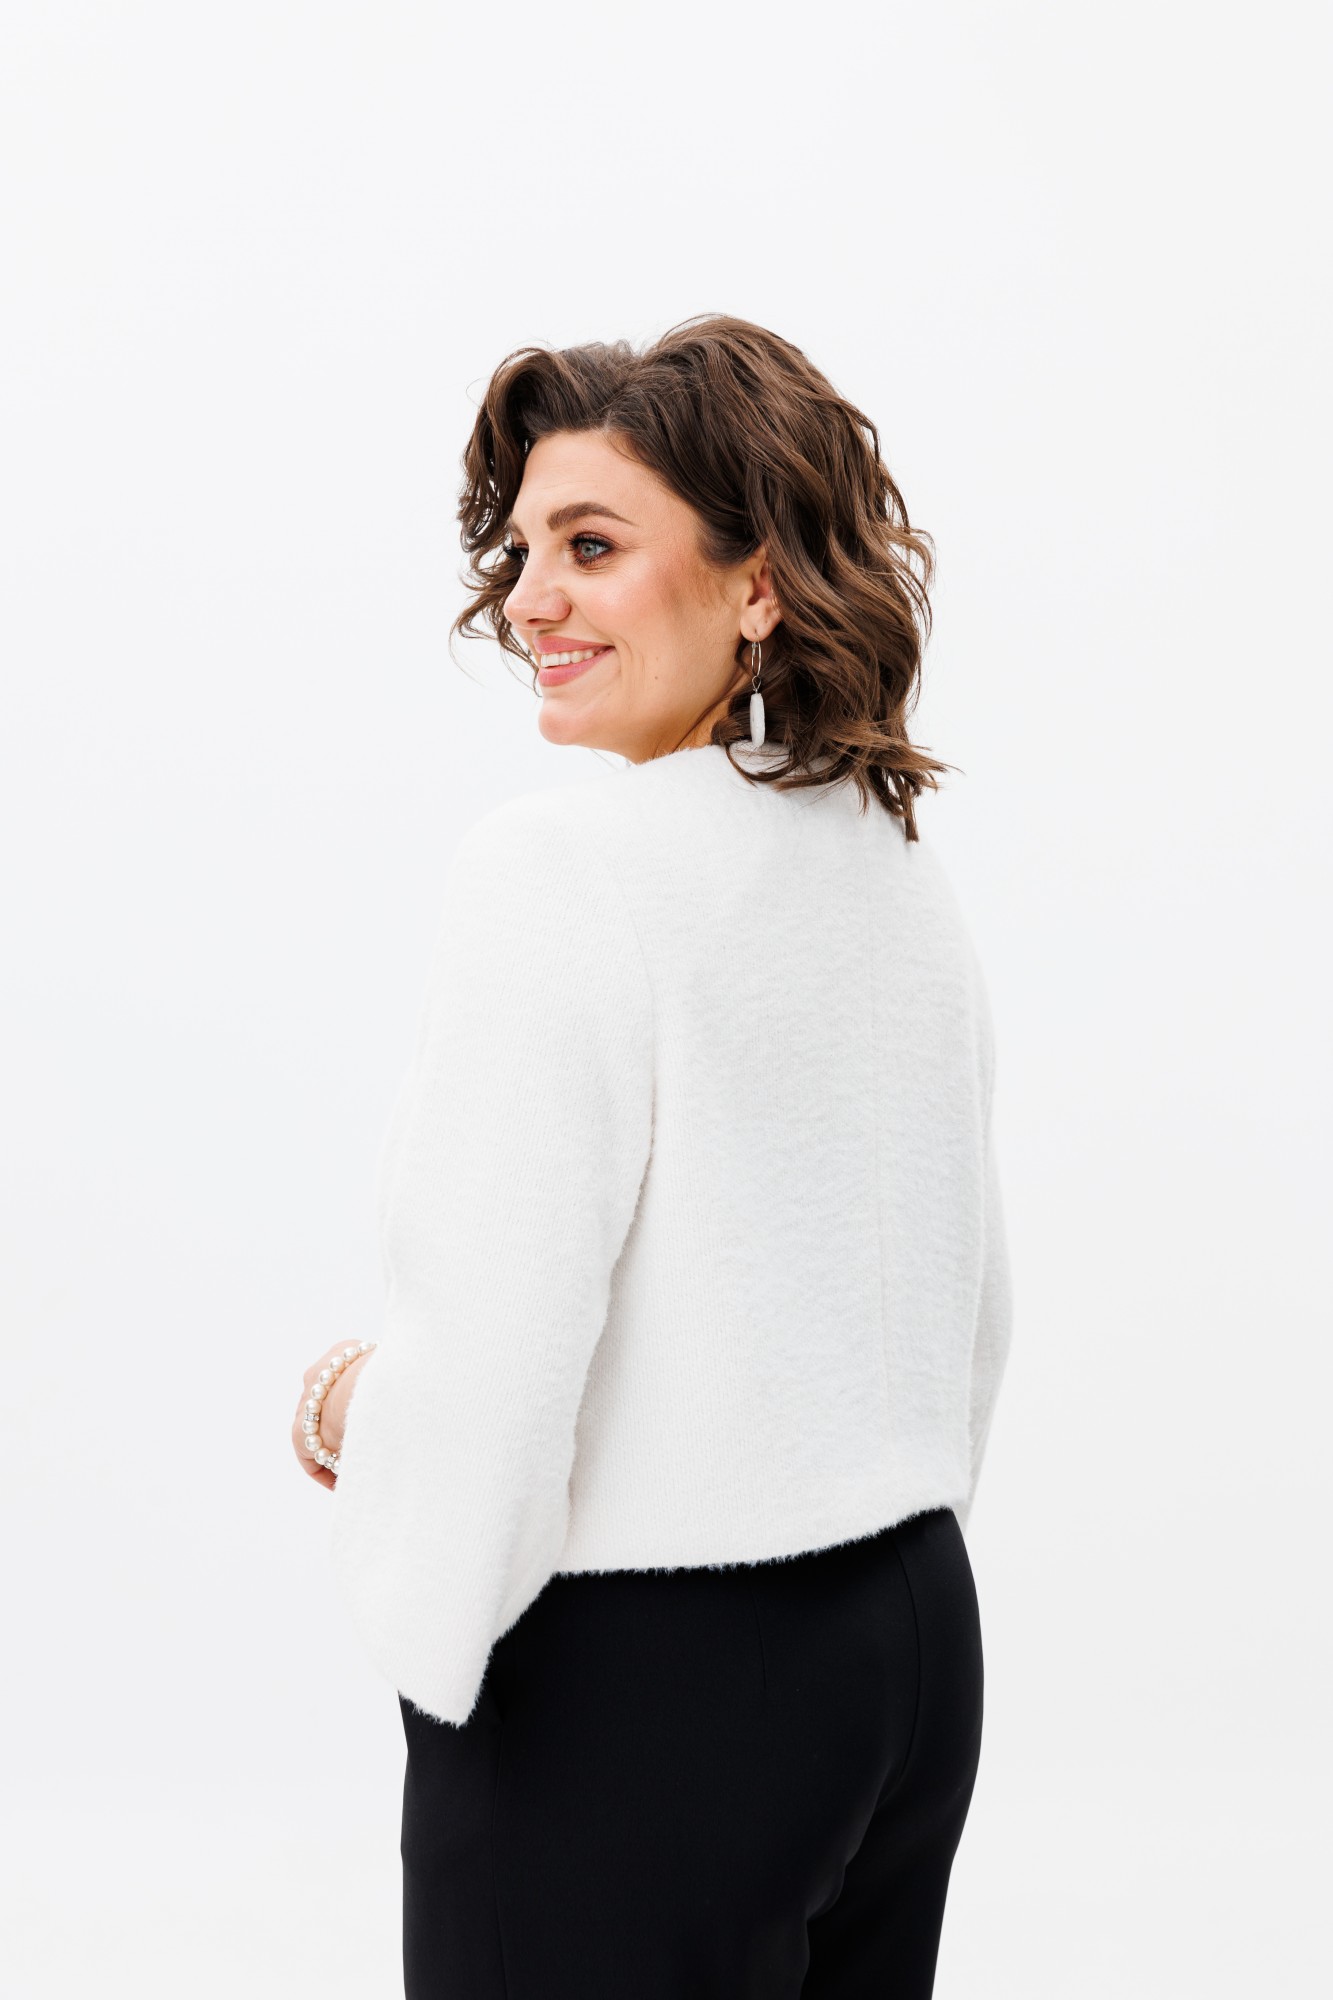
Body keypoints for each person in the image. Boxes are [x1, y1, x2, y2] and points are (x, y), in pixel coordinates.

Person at [289, 312, 1014, 1997]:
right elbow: (969, 1297)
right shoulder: (886, 862)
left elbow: (493, 1354)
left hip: (641, 1684)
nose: (529, 600)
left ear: (755, 584)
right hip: (906, 1636)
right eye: (523, 551)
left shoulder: (561, 871)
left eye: (592, 546)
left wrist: (347, 1411)